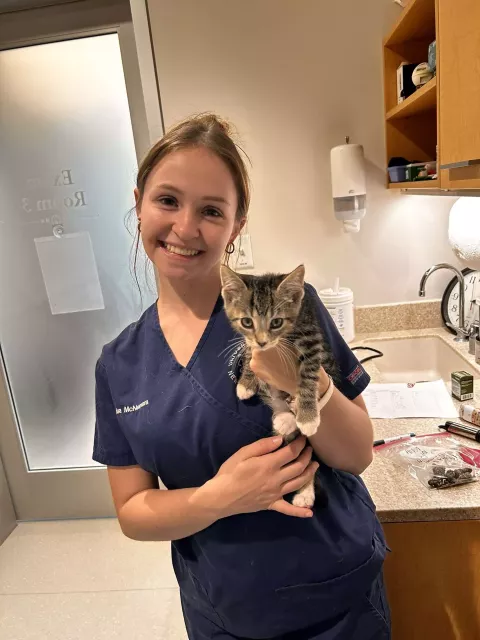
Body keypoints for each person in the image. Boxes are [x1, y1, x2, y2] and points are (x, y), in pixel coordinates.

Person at [93, 113, 391, 639]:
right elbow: (134, 512)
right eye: (167, 201)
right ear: (138, 202)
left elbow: (358, 452)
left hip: (338, 606)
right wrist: (219, 497)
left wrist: (305, 377)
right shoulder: (118, 364)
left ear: (237, 224)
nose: (185, 228)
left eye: (211, 210)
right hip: (223, 613)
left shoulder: (289, 308)